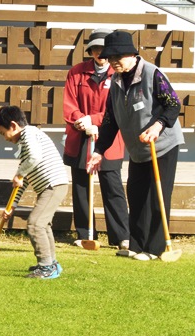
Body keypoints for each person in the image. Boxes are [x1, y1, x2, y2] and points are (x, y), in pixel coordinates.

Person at [87, 31, 184, 261]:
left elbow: (173, 104)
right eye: (109, 58)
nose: (112, 62)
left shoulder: (152, 73)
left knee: (156, 196)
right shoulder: (116, 81)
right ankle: (137, 246)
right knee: (136, 194)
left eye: (116, 57)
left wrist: (158, 126)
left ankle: (155, 248)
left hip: (162, 145)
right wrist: (99, 151)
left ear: (131, 54)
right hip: (138, 149)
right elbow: (110, 119)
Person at [63, 28, 129, 250]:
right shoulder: (76, 72)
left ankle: (121, 236)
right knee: (81, 188)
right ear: (90, 50)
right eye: (96, 48)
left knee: (112, 187)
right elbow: (69, 103)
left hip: (109, 139)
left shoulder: (119, 74)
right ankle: (85, 233)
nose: (100, 53)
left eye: (103, 48)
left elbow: (119, 108)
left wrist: (95, 120)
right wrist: (83, 121)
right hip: (81, 136)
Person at [0, 106, 69, 279]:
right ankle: (51, 263)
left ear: (13, 126)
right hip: (50, 187)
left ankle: (46, 267)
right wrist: (11, 206)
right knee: (43, 224)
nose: (4, 138)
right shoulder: (24, 143)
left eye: (2, 133)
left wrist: (19, 173)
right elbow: (24, 180)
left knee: (35, 224)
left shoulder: (30, 134)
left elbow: (33, 159)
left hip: (54, 185)